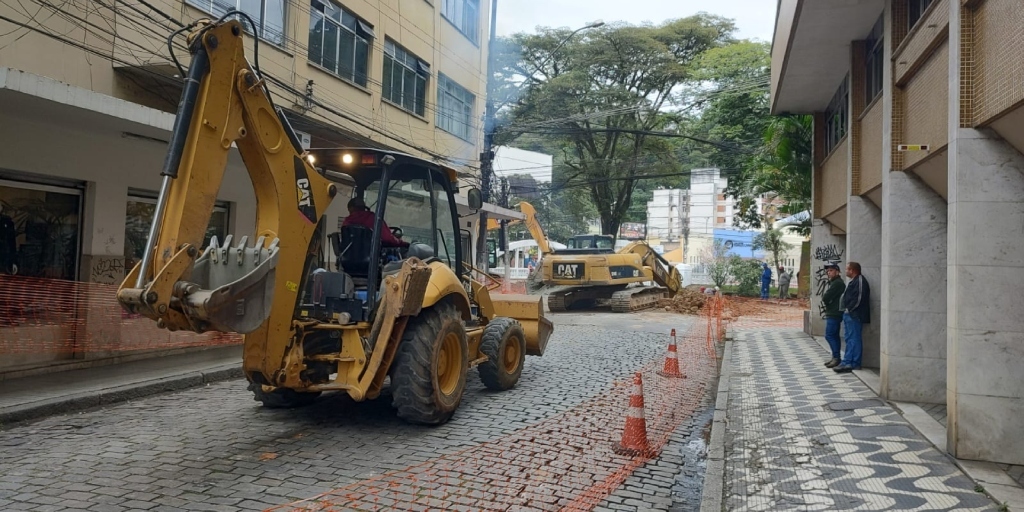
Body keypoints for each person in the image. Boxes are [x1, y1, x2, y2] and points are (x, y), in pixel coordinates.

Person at [834, 261, 870, 373]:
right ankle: (847, 361)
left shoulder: (859, 280)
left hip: (854, 315)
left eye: (847, 269)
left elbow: (859, 298)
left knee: (854, 339)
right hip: (849, 315)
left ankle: (852, 363)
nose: (845, 271)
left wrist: (850, 309)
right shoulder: (853, 281)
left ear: (852, 270)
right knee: (849, 338)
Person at [342, 197, 407, 248]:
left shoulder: (346, 222)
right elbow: (387, 238)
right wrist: (401, 243)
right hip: (372, 258)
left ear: (351, 208)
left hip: (349, 259)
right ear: (364, 207)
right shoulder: (373, 219)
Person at [821, 263, 846, 368]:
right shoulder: (835, 282)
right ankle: (835, 357)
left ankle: (836, 357)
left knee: (829, 335)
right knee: (834, 335)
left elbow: (826, 297)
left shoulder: (837, 283)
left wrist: (828, 302)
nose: (828, 272)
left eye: (831, 270)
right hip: (834, 311)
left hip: (834, 312)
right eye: (828, 271)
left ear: (837, 271)